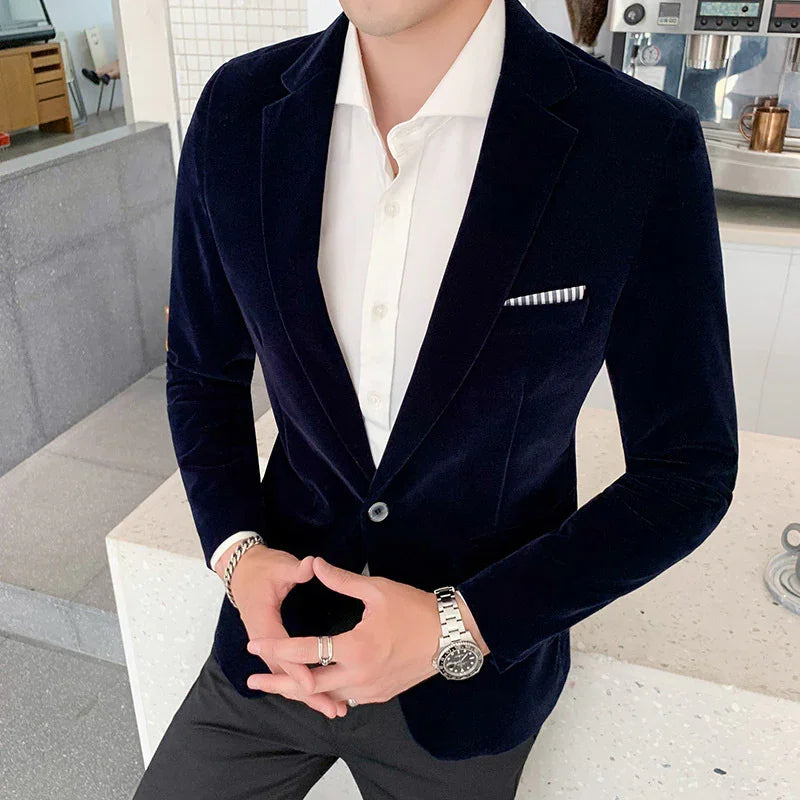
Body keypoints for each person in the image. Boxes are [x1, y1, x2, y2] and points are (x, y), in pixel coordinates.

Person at [132, 0, 739, 797]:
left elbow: (688, 467)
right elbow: (203, 372)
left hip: (469, 690)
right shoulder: (237, 111)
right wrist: (238, 555)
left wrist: (464, 629)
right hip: (272, 655)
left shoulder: (636, 143)